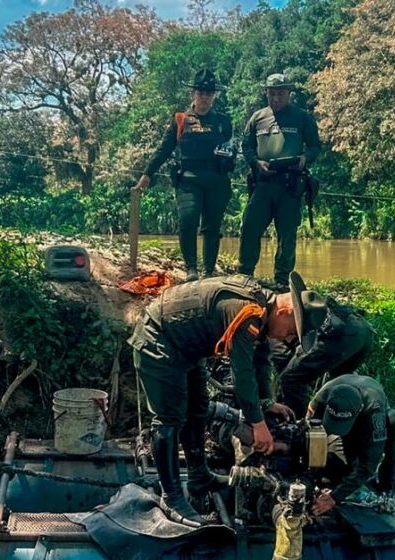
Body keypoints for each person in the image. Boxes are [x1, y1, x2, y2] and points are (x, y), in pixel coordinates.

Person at [128, 274, 297, 526]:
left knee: (198, 408)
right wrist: (257, 424)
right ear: (284, 310)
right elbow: (242, 373)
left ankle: (198, 475)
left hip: (186, 348)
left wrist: (266, 402)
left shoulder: (263, 312)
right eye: (291, 332)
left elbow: (260, 360)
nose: (287, 339)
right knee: (169, 419)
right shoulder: (248, 312)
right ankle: (172, 496)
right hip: (159, 339)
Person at [135, 69, 235, 281]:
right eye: (201, 92)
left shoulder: (222, 121)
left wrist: (230, 158)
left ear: (213, 95)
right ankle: (191, 269)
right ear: (193, 94)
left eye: (209, 93)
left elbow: (231, 148)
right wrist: (147, 174)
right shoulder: (180, 119)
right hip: (188, 179)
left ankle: (208, 272)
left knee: (212, 226)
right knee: (188, 220)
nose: (204, 97)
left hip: (216, 180)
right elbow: (164, 149)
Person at [238, 73, 321, 288]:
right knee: (249, 227)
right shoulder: (258, 117)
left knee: (287, 233)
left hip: (290, 184)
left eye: (280, 93)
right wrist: (256, 163)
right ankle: (245, 274)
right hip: (263, 182)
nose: (276, 98)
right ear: (266, 93)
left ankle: (282, 280)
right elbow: (246, 146)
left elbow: (315, 147)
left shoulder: (302, 117)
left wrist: (305, 158)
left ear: (289, 94)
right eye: (272, 93)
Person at [307, 374, 395, 516]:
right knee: (338, 459)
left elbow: (368, 464)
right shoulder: (322, 396)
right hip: (346, 413)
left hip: (367, 420)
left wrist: (334, 498)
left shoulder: (375, 411)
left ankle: (387, 491)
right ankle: (345, 476)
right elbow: (307, 431)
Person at [278, 271, 374, 418]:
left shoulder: (280, 318)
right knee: (338, 383)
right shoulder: (307, 305)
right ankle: (336, 426)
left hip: (340, 335)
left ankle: (298, 428)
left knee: (290, 379)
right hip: (361, 327)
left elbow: (290, 366)